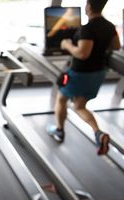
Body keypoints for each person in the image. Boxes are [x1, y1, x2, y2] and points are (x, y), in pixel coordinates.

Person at [47, 0, 121, 155]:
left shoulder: (87, 29)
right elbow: (115, 46)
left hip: (80, 73)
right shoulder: (109, 26)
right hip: (99, 73)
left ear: (88, 7)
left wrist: (66, 44)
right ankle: (98, 134)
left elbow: (82, 53)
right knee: (80, 106)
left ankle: (59, 130)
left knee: (61, 99)